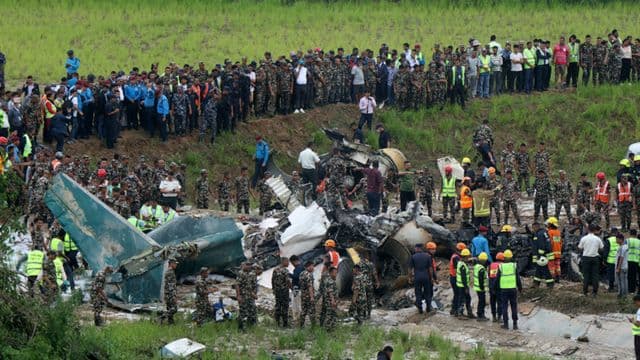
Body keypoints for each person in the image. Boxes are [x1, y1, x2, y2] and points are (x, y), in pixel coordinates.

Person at [496, 249, 522, 330]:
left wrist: (494, 288)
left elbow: (497, 279)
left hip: (504, 290)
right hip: (513, 289)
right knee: (514, 306)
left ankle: (506, 324)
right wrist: (520, 287)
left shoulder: (501, 266)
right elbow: (517, 278)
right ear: (511, 257)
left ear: (504, 258)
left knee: (504, 307)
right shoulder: (514, 266)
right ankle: (515, 324)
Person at [578, 223, 604, 296]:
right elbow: (602, 248)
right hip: (595, 258)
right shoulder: (597, 239)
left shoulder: (584, 238)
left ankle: (585, 292)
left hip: (586, 258)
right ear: (595, 230)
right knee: (595, 275)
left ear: (588, 229)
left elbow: (580, 248)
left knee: (586, 275)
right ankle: (595, 292)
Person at [410, 244, 434, 314]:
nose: (415, 249)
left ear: (417, 248)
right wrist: (431, 277)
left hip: (417, 277)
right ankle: (428, 307)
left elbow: (410, 269)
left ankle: (420, 308)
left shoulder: (413, 257)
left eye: (415, 248)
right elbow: (430, 268)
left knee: (418, 293)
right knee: (427, 292)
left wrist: (410, 277)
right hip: (426, 277)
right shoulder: (427, 256)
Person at [236, 261, 258, 330]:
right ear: (244, 265)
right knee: (243, 312)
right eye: (247, 265)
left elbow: (251, 286)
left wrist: (254, 294)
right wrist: (238, 295)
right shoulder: (241, 273)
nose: (249, 266)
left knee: (252, 310)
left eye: (250, 265)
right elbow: (237, 285)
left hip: (250, 296)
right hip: (243, 296)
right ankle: (241, 328)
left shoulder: (250, 274)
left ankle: (252, 326)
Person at [272, 257, 291, 327]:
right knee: (285, 306)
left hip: (277, 291)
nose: (288, 263)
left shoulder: (275, 269)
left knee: (278, 306)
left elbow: (272, 280)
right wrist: (292, 288)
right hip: (284, 291)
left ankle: (277, 323)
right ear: (283, 262)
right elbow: (288, 281)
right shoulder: (285, 271)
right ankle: (285, 324)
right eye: (287, 262)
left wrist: (273, 289)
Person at [455, 248, 474, 318]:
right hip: (463, 286)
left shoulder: (461, 263)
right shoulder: (462, 265)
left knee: (467, 298)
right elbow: (463, 277)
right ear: (465, 257)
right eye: (468, 257)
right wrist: (466, 287)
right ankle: (460, 313)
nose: (469, 258)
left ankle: (469, 313)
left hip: (462, 285)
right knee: (462, 299)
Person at [449, 242, 466, 315]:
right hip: (455, 278)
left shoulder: (454, 256)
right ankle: (457, 311)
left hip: (453, 277)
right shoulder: (456, 258)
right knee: (459, 294)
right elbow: (457, 269)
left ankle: (454, 309)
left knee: (456, 294)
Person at [299, 260, 315, 327]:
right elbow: (310, 286)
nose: (313, 268)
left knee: (303, 310)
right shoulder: (308, 275)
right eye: (312, 266)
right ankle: (314, 326)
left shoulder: (302, 273)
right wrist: (311, 297)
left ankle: (301, 325)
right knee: (312, 311)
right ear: (309, 266)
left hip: (303, 294)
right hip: (308, 295)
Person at [321, 266, 338, 331]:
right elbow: (330, 292)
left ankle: (331, 328)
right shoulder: (330, 281)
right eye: (335, 273)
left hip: (328, 300)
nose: (336, 274)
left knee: (332, 314)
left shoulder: (328, 280)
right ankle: (328, 328)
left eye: (336, 273)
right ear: (330, 273)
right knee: (330, 314)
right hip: (330, 301)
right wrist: (333, 301)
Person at [546, 217, 563, 283]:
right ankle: (558, 278)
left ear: (550, 224)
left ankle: (552, 278)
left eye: (548, 224)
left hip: (551, 252)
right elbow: (560, 242)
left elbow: (550, 243)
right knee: (557, 266)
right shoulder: (558, 232)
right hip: (558, 252)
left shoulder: (549, 232)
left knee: (551, 267)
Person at [489, 251, 504, 323]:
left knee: (492, 302)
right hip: (499, 286)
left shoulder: (491, 265)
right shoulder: (502, 265)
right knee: (500, 302)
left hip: (491, 286)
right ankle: (499, 317)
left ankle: (494, 317)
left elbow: (489, 275)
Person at [474, 252, 489, 321]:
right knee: (482, 302)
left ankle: (479, 314)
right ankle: (481, 315)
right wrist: (482, 287)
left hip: (477, 287)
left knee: (481, 301)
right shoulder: (481, 268)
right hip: (480, 288)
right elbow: (480, 279)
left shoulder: (476, 266)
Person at [162, 258, 178, 325]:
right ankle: (161, 318)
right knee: (174, 309)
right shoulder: (170, 272)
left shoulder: (169, 271)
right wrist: (173, 295)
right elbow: (170, 285)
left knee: (170, 308)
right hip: (170, 294)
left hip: (168, 293)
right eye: (175, 263)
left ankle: (171, 323)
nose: (176, 265)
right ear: (171, 263)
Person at [616, 233, 629, 298]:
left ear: (621, 239)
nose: (616, 240)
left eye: (617, 239)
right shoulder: (626, 246)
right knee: (625, 281)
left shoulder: (622, 248)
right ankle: (625, 295)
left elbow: (621, 258)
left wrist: (618, 268)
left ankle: (622, 295)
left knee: (622, 281)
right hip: (626, 266)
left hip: (622, 267)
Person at [628, 293, 640, 359]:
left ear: (638, 301)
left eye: (635, 302)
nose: (635, 304)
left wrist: (632, 321)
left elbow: (638, 324)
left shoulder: (639, 311)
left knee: (638, 353)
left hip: (638, 335)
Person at [629, 229, 640, 294]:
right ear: (636, 234)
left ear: (630, 233)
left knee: (631, 276)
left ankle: (631, 290)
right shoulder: (639, 241)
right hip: (637, 260)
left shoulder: (627, 241)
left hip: (629, 260)